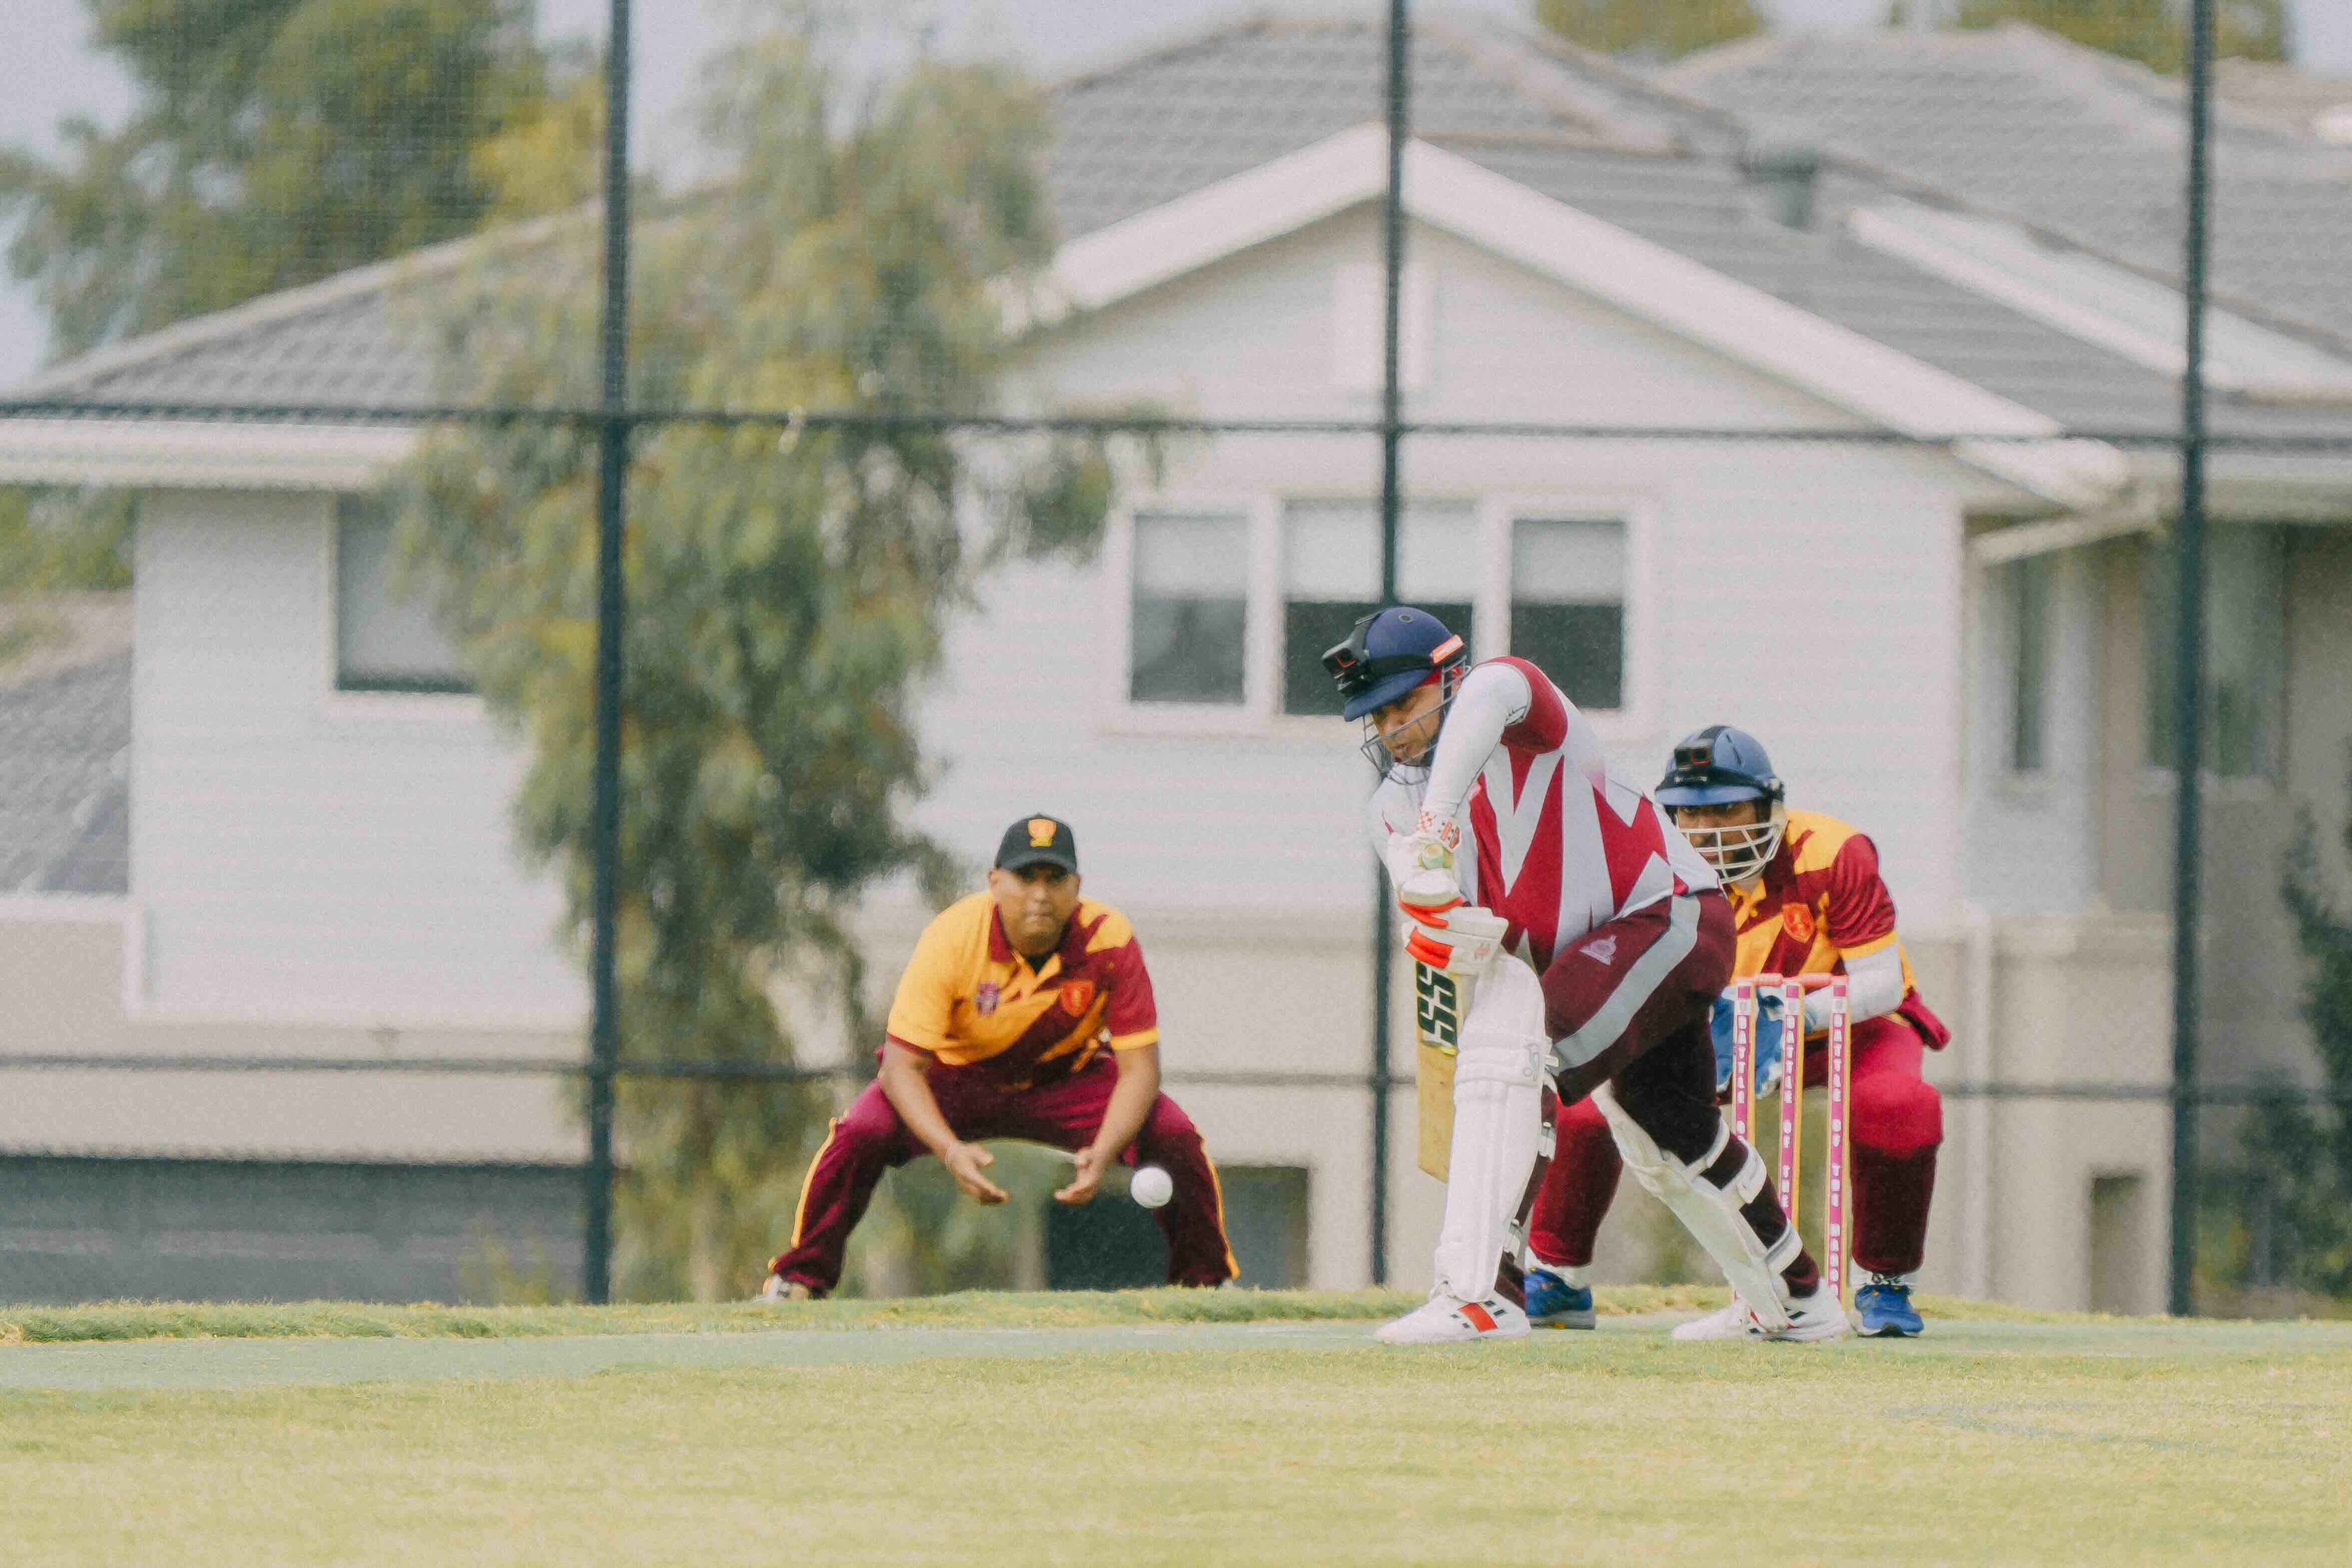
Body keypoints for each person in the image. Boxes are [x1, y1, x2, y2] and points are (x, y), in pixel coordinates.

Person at [1325, 608, 1846, 1344]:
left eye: (1402, 705)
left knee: (1515, 1050)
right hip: (1582, 956)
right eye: (1374, 717)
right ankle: (1795, 1299)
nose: (1390, 731)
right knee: (1666, 1135)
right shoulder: (1391, 807)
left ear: (1447, 677)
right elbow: (1462, 937)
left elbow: (1492, 691)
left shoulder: (1511, 704)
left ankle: (1483, 1294)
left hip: (1668, 916)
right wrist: (1432, 917)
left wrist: (1436, 833)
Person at [1522, 726, 1950, 1339]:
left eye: (1727, 808)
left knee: (1899, 1105)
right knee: (1588, 1105)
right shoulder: (1639, 866)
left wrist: (1796, 1015)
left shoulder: (1833, 850)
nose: (1709, 831)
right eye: (1692, 814)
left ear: (1768, 807)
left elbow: (1881, 983)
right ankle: (1557, 1275)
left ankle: (1884, 1282)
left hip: (1845, 1024)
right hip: (1711, 1022)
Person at [760, 814, 1236, 1298]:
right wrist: (949, 1149)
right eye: (1025, 877)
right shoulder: (952, 936)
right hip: (956, 1078)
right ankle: (799, 1280)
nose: (1040, 894)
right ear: (994, 882)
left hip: (1065, 1079)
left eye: (1055, 879)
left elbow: (1140, 1070)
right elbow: (901, 1068)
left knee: (1173, 1133)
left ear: (1077, 886)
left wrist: (1106, 1148)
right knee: (863, 1131)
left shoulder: (1109, 937)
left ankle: (1204, 1284)